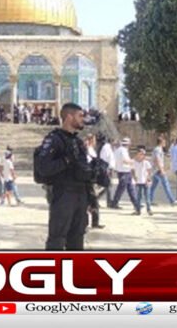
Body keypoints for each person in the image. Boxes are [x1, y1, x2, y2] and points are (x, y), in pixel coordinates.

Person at [39, 103, 94, 250]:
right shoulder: (54, 140)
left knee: (77, 239)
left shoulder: (77, 142)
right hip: (63, 194)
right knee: (57, 239)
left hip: (80, 195)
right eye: (80, 115)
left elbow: (84, 170)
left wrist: (91, 198)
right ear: (69, 117)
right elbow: (43, 168)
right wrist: (66, 160)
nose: (84, 119)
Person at [110, 138, 137, 209]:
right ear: (128, 144)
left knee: (130, 188)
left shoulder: (118, 150)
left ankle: (136, 203)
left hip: (124, 172)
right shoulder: (123, 150)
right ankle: (114, 203)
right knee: (121, 189)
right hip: (124, 172)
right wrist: (133, 161)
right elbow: (125, 161)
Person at [149, 136, 176, 206]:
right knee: (166, 185)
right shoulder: (158, 149)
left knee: (153, 186)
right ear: (161, 142)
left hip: (156, 170)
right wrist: (161, 170)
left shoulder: (158, 149)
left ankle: (149, 200)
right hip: (158, 170)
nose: (165, 143)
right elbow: (157, 160)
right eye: (164, 142)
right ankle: (172, 200)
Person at [84, 133, 104, 229]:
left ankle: (90, 222)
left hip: (91, 178)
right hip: (89, 179)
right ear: (92, 140)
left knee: (90, 201)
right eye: (94, 140)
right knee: (93, 201)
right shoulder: (88, 150)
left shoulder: (90, 150)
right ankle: (92, 222)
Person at [98, 136, 115, 207]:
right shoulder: (106, 148)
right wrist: (107, 169)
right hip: (107, 169)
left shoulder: (108, 148)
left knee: (108, 186)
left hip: (109, 168)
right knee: (107, 185)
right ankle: (97, 198)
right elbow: (104, 159)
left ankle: (108, 201)